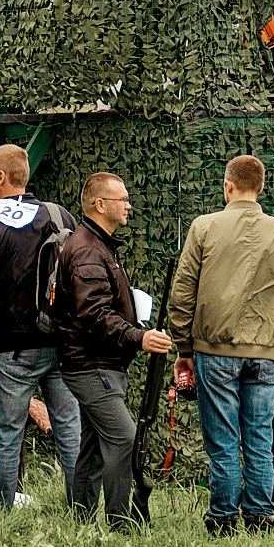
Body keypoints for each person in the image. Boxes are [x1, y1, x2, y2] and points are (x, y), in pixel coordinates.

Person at [169, 155, 274, 535]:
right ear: (261, 188)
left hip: (214, 351)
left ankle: (223, 519)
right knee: (259, 439)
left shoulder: (203, 227)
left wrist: (183, 351)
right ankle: (262, 518)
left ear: (227, 186)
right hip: (267, 354)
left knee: (223, 443)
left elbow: (181, 297)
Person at [0, 143, 84, 509]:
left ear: (1, 177)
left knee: (7, 432)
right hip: (62, 340)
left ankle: (0, 506)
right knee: (69, 427)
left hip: (14, 347)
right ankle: (82, 504)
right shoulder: (59, 215)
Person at [53, 171, 171, 528]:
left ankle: (80, 519)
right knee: (124, 439)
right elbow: (95, 315)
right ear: (100, 205)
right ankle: (123, 523)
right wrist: (140, 338)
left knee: (91, 447)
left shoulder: (99, 245)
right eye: (123, 199)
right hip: (90, 365)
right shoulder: (89, 250)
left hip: (95, 362)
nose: (129, 205)